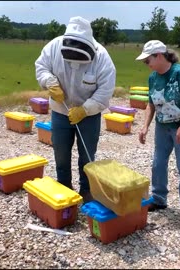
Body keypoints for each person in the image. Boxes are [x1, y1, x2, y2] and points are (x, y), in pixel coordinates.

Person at [35, 16, 116, 203]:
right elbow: (41, 67)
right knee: (61, 152)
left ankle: (86, 189)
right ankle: (64, 186)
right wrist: (49, 81)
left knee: (87, 154)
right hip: (60, 111)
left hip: (89, 116)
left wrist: (85, 109)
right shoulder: (54, 47)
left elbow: (105, 91)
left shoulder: (102, 57)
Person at [136, 40, 180, 229]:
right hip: (162, 128)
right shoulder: (153, 78)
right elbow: (151, 104)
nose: (146, 64)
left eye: (147, 60)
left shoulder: (179, 73)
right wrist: (145, 126)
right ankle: (158, 199)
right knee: (158, 164)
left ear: (158, 56)